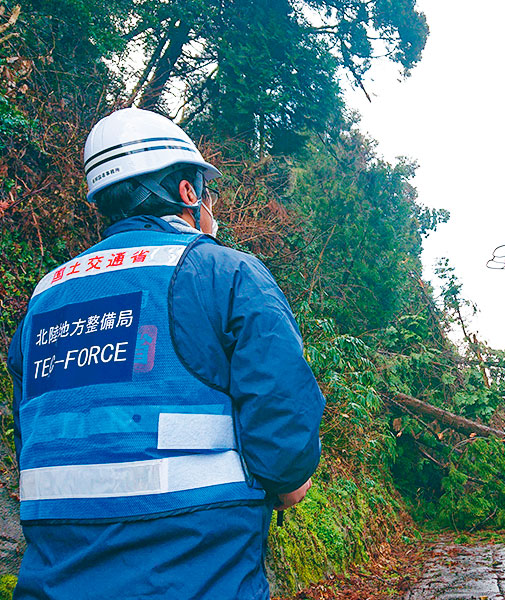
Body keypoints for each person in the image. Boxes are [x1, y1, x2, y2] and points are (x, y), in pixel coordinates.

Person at [6, 107, 325, 599]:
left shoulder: (44, 298)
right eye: (207, 193)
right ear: (188, 192)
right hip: (201, 578)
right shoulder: (226, 274)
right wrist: (288, 482)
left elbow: (31, 436)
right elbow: (284, 422)